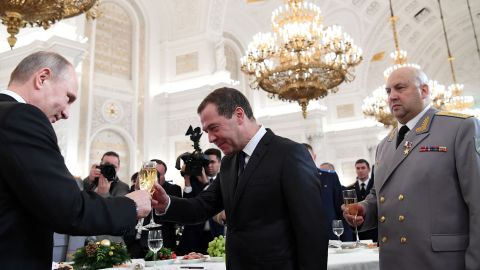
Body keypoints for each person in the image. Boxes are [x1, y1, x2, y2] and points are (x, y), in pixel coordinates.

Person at [0, 51, 151, 269]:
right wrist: (131, 205)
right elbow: (68, 209)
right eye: (68, 97)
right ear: (42, 78)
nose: (67, 113)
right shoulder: (21, 117)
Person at [152, 87, 328, 270]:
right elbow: (202, 206)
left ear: (239, 115)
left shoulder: (289, 154)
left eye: (214, 128)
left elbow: (312, 231)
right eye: (206, 131)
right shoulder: (229, 162)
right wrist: (167, 204)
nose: (210, 139)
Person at [343, 66, 480, 270]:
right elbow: (379, 194)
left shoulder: (458, 128)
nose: (392, 97)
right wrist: (364, 209)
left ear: (424, 91)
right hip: (394, 261)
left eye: (400, 88)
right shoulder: (384, 146)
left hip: (441, 262)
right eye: (388, 91)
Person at [124, 159, 181, 258]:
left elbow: (173, 216)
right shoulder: (132, 191)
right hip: (134, 247)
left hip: (160, 245)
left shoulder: (170, 191)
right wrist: (138, 188)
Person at [303, 144, 352, 241]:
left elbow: (340, 210)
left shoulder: (330, 177)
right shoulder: (290, 180)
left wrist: (347, 240)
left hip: (330, 236)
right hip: (304, 238)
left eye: (308, 155)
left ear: (314, 156)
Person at [345, 159, 377, 242]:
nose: (360, 170)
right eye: (358, 168)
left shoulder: (376, 187)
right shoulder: (349, 189)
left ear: (369, 169)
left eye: (363, 168)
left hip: (374, 231)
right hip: (358, 232)